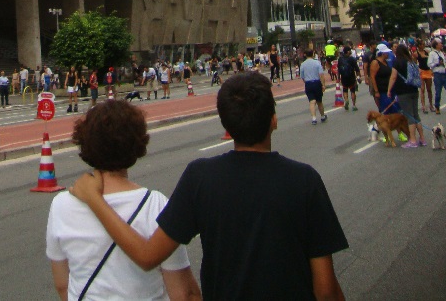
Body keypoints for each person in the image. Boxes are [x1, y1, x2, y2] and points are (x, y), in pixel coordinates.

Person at [72, 73, 347, 301]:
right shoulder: (304, 180)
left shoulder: (201, 177)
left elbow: (147, 256)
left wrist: (95, 199)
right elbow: (325, 290)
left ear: (225, 123)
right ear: (273, 120)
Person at [46, 99, 200, 301]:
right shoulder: (155, 204)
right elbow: (184, 293)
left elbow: (62, 285)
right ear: (137, 143)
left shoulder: (61, 205)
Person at [386, 42, 424, 148]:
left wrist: (389, 90)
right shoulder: (411, 61)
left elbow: (393, 77)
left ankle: (412, 140)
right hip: (413, 89)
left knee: (409, 116)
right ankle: (422, 139)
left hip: (403, 91)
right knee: (416, 115)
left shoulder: (397, 62)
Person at [299, 48, 327, 124]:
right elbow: (321, 75)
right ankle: (322, 116)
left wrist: (306, 82)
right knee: (319, 101)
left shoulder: (303, 64)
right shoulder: (317, 63)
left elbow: (302, 76)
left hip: (308, 84)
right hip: (317, 82)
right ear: (313, 54)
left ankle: (314, 118)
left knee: (312, 101)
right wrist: (323, 85)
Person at [369, 44, 398, 115]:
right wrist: (376, 91)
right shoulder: (375, 63)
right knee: (386, 110)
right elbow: (372, 77)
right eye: (386, 52)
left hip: (390, 89)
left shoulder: (386, 62)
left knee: (395, 110)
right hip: (382, 90)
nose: (388, 54)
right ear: (382, 53)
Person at [336, 47, 359, 111]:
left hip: (343, 77)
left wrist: (338, 78)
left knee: (345, 90)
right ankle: (354, 105)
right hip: (351, 77)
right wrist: (358, 77)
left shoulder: (340, 59)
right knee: (352, 91)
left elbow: (339, 69)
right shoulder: (352, 59)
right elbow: (356, 68)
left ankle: (346, 100)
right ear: (348, 51)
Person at [415, 38, 434, 113]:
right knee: (422, 89)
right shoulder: (416, 53)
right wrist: (418, 69)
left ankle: (431, 105)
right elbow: (414, 63)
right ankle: (423, 106)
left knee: (429, 89)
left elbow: (430, 61)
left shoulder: (427, 52)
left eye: (424, 44)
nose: (423, 46)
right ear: (419, 45)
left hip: (428, 71)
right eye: (422, 44)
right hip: (421, 72)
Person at [427, 37, 446, 114]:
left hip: (444, 73)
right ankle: (437, 106)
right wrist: (437, 64)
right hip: (437, 74)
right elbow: (429, 64)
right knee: (438, 91)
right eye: (440, 43)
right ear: (436, 45)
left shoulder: (442, 53)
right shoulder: (432, 54)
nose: (441, 45)